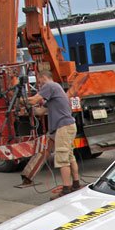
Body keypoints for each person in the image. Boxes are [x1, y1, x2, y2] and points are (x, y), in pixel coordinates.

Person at [25, 69, 80, 199]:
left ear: (44, 77)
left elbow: (33, 100)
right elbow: (39, 111)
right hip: (68, 126)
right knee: (69, 156)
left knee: (62, 158)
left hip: (63, 127)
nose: (39, 85)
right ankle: (76, 184)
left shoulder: (50, 85)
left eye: (39, 82)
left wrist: (20, 100)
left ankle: (66, 189)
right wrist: (29, 109)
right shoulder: (56, 90)